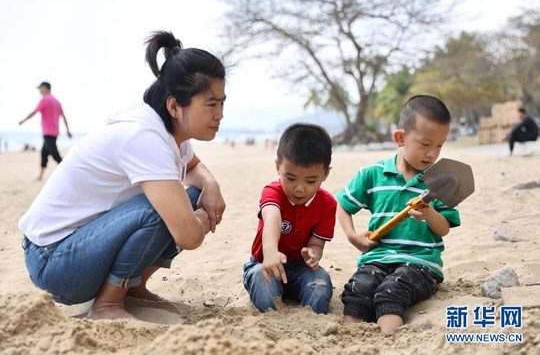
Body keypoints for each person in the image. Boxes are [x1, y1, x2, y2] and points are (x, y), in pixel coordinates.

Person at [18, 30, 227, 320]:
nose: (220, 114)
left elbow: (193, 167)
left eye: (222, 103)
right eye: (211, 104)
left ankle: (133, 288)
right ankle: (107, 305)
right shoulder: (145, 136)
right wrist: (201, 219)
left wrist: (211, 184)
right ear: (174, 105)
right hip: (54, 261)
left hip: (80, 248)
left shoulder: (171, 130)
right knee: (167, 210)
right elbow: (189, 236)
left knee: (189, 197)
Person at [336, 95, 461, 334]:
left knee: (391, 290)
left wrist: (429, 213)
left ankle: (389, 339)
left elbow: (444, 228)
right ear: (400, 138)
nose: (432, 153)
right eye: (425, 144)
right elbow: (342, 205)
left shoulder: (441, 179)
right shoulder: (371, 174)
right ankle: (350, 339)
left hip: (420, 263)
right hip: (377, 258)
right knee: (359, 288)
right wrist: (353, 237)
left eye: (439, 145)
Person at [243, 123, 336, 314]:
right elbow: (272, 218)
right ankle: (272, 317)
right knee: (261, 278)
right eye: (291, 178)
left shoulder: (327, 204)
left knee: (321, 281)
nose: (299, 188)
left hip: (301, 270)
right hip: (264, 264)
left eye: (310, 181)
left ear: (325, 174)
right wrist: (270, 252)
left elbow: (317, 244)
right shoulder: (273, 193)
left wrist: (313, 254)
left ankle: (312, 318)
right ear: (278, 167)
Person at [19, 81, 72, 181]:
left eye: (40, 88)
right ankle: (40, 176)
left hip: (48, 133)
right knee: (44, 153)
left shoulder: (45, 100)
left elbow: (34, 112)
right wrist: (68, 130)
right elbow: (63, 117)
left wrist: (23, 120)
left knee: (55, 154)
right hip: (54, 132)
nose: (39, 91)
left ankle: (70, 173)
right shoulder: (57, 101)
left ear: (45, 88)